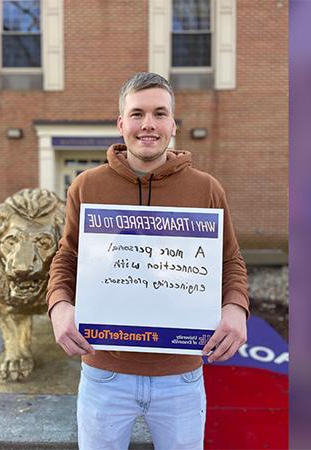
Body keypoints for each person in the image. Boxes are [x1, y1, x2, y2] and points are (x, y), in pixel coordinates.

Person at [46, 72, 249, 450]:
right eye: (137, 114)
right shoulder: (87, 186)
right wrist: (59, 306)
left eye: (160, 113)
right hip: (104, 373)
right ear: (121, 122)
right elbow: (67, 256)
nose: (148, 125)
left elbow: (230, 260)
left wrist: (236, 307)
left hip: (181, 377)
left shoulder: (206, 189)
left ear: (173, 123)